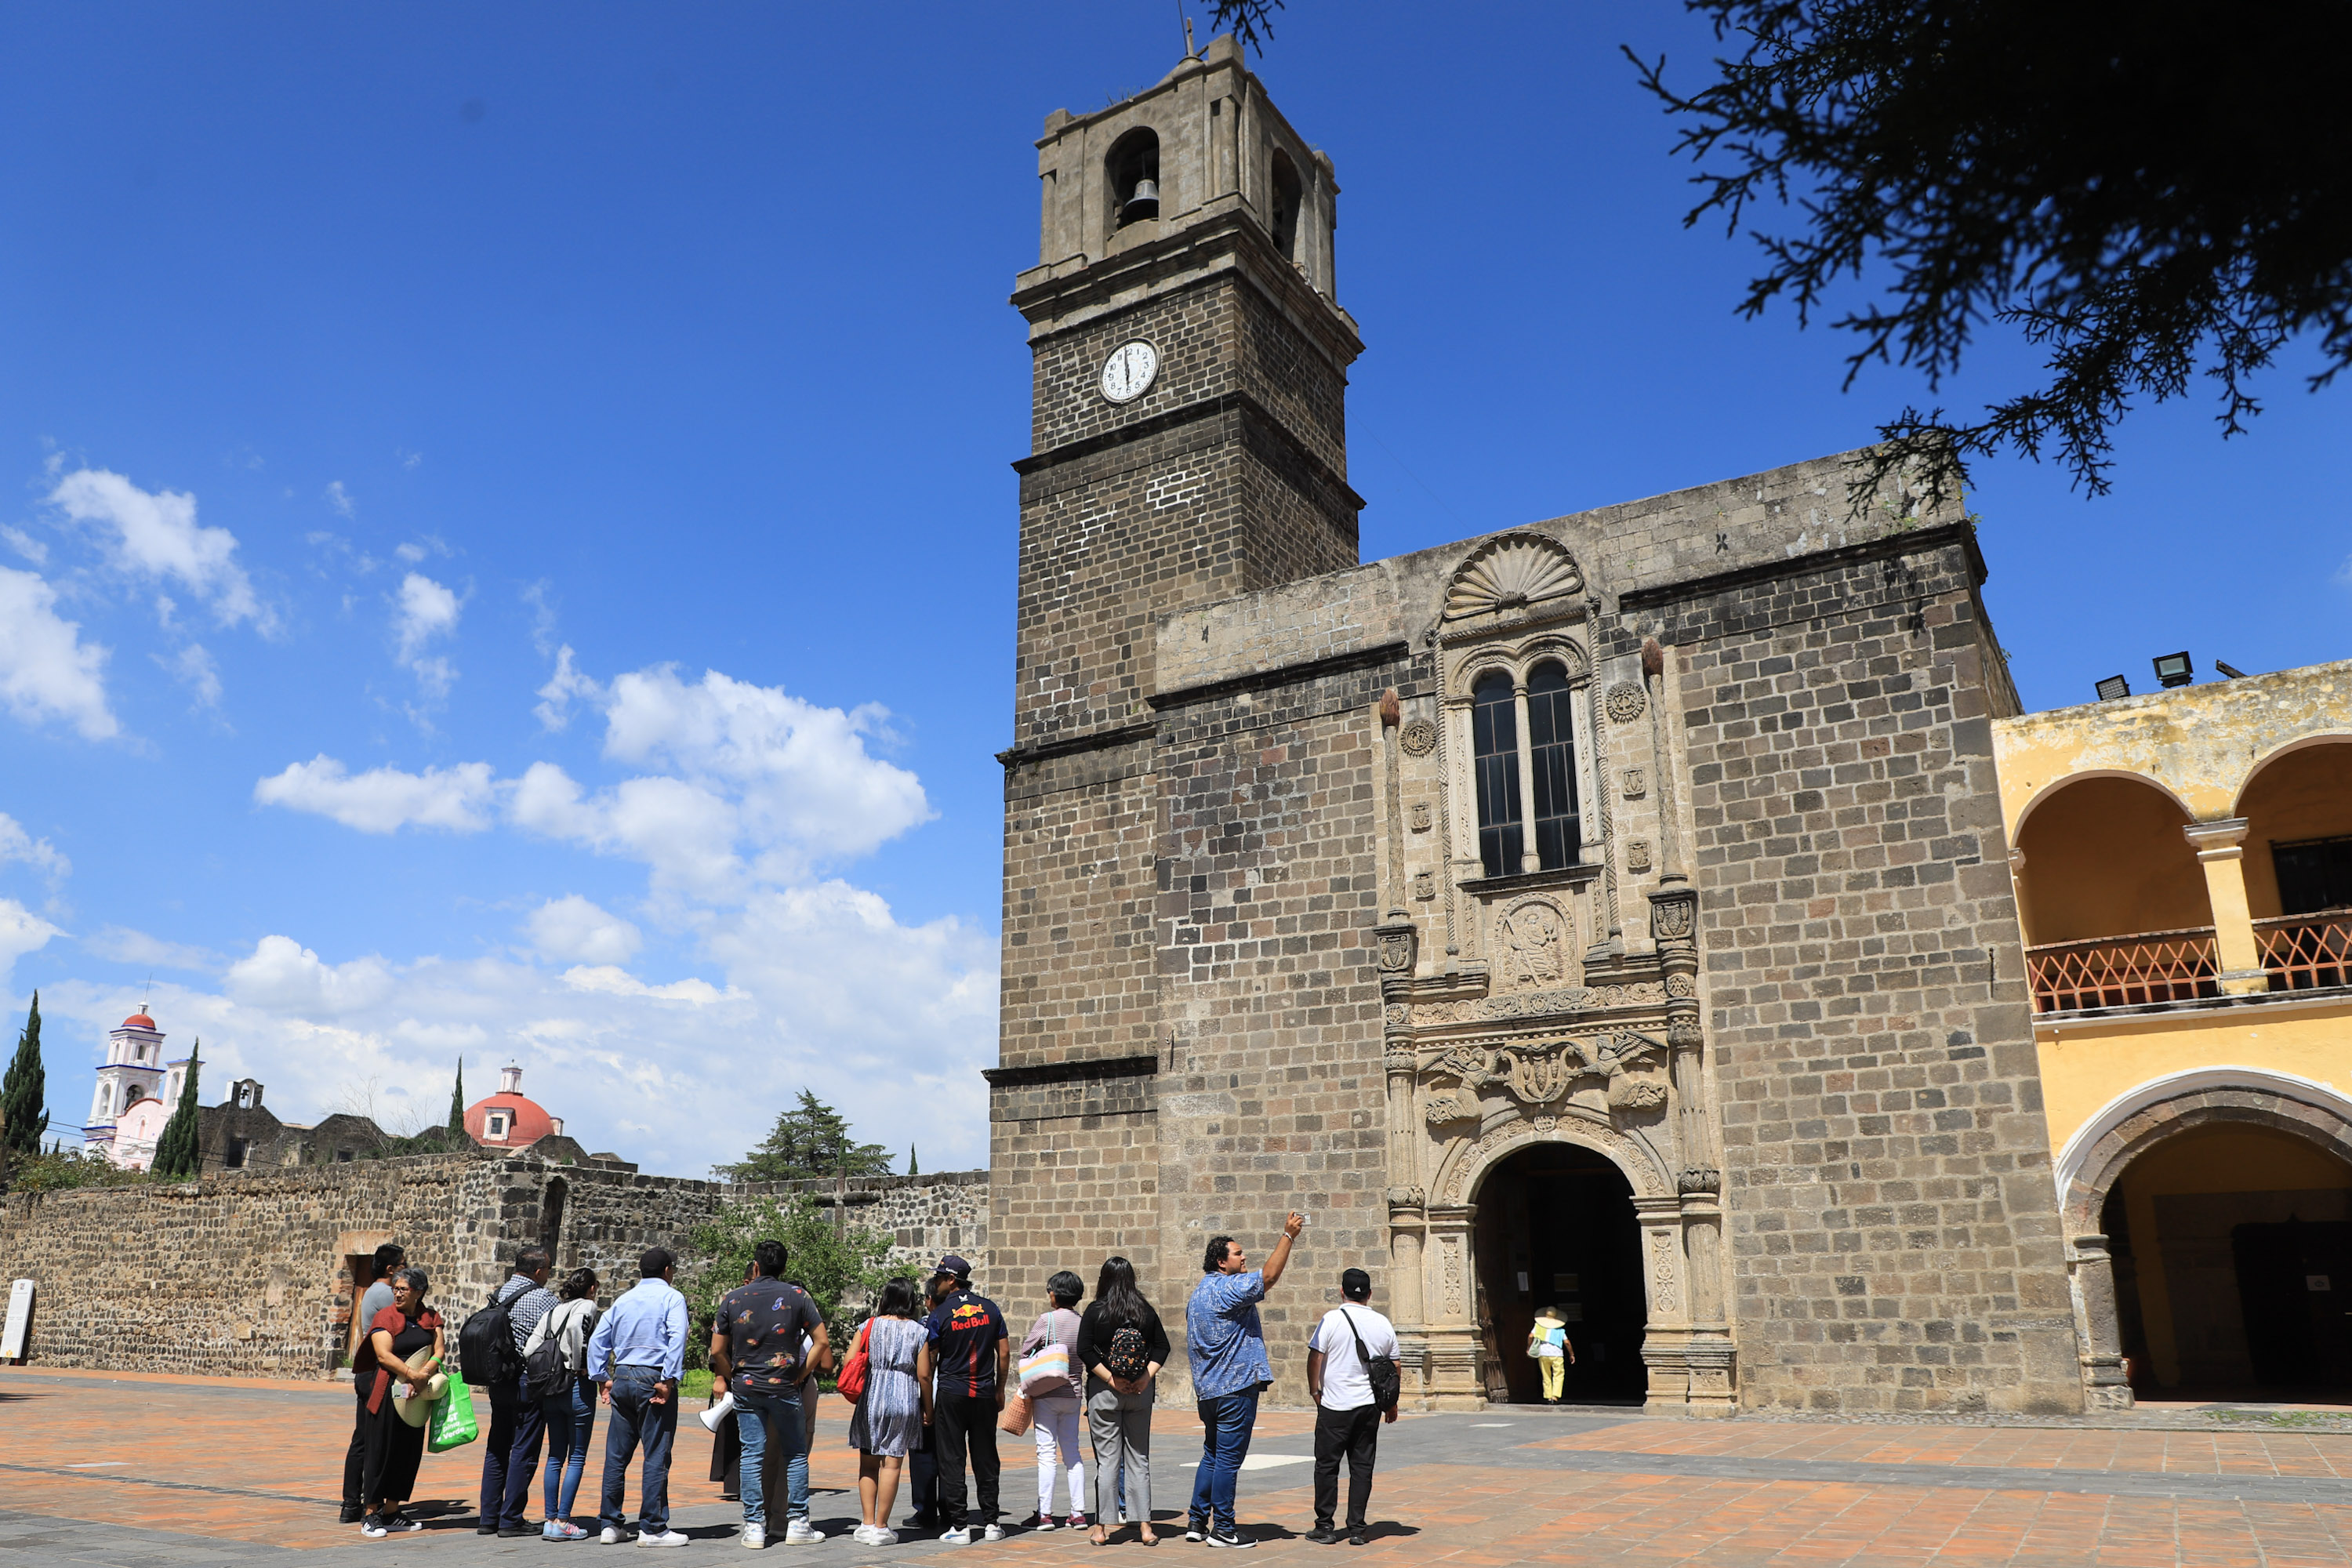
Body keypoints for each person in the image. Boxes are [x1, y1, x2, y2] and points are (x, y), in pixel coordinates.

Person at [1185, 1214, 1304, 1548]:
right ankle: (1223, 1528)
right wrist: (1288, 1236)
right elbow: (1267, 1277)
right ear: (1222, 1263)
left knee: (1211, 1453)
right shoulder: (1226, 1288)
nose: (1244, 1257)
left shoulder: (1198, 1295)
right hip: (1234, 1389)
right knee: (1227, 1460)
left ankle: (1197, 1520)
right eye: (1238, 1254)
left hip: (1208, 1391)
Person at [710, 1240, 832, 1548]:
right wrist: (800, 1375)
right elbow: (821, 1343)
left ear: (756, 1266)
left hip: (747, 1388)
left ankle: (753, 1526)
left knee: (752, 1454)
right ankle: (797, 1523)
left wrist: (733, 1373)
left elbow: (716, 1350)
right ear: (784, 1267)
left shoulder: (733, 1298)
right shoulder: (797, 1296)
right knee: (795, 1454)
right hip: (784, 1388)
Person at [586, 1246, 692, 1547]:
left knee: (616, 1456)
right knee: (656, 1454)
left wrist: (601, 1377)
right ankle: (653, 1527)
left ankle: (610, 1524)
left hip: (623, 1375)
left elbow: (597, 1341)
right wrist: (668, 1378)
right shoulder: (672, 1297)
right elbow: (677, 1335)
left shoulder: (624, 1300)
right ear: (668, 1271)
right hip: (652, 1376)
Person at [1076, 1255, 1171, 1548]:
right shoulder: (1144, 1310)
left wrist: (1110, 1379)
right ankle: (1145, 1527)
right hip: (1140, 1394)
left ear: (1103, 1279)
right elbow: (1162, 1346)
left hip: (1104, 1394)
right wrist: (1145, 1378)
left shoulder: (1096, 1311)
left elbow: (1084, 1350)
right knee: (1139, 1459)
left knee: (1107, 1462)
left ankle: (1101, 1529)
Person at [918, 1254, 1010, 1545]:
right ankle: (992, 1522)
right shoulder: (991, 1309)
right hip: (983, 1393)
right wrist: (999, 1388)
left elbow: (929, 1362)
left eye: (938, 1278)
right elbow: (1004, 1353)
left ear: (951, 1280)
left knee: (952, 1459)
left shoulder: (940, 1314)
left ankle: (960, 1526)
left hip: (952, 1392)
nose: (935, 1284)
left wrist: (928, 1406)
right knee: (986, 1457)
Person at [1305, 1270, 1399, 1546]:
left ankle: (1324, 1526)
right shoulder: (1382, 1323)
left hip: (1335, 1404)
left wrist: (1315, 1390)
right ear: (1369, 1294)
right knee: (1362, 1467)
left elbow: (1316, 1356)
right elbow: (1395, 1365)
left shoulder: (1332, 1319)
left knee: (1326, 1465)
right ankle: (1357, 1528)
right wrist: (1390, 1403)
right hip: (1369, 1405)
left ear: (1341, 1291)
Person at [354, 1265, 444, 1537]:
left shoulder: (430, 1317)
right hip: (387, 1395)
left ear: (418, 1292)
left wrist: (425, 1374)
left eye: (403, 1289)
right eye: (395, 1289)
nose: (397, 1294)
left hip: (417, 1396)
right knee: (381, 1452)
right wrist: (411, 1374)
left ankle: (392, 1511)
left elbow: (439, 1348)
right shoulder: (386, 1316)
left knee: (407, 1452)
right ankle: (371, 1513)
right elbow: (383, 1355)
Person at [479, 1245, 556, 1537]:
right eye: (548, 1270)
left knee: (497, 1447)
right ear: (538, 1271)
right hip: (527, 1381)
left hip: (499, 1381)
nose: (549, 1276)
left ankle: (488, 1518)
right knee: (524, 1449)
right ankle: (511, 1519)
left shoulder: (499, 1293)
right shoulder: (542, 1298)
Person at [849, 1275, 931, 1545]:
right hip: (904, 1398)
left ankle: (866, 1523)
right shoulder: (919, 1332)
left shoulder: (868, 1325)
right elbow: (924, 1375)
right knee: (892, 1463)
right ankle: (883, 1528)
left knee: (868, 1462)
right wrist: (927, 1408)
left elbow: (850, 1360)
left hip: (872, 1396)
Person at [525, 1267, 602, 1541]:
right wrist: (582, 1366)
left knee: (555, 1455)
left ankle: (549, 1519)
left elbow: (529, 1349)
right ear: (591, 1288)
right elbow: (580, 1333)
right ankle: (564, 1520)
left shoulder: (550, 1313)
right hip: (577, 1386)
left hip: (550, 1388)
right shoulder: (588, 1308)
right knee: (577, 1456)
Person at [342, 1242, 405, 1524]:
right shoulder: (384, 1293)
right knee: (372, 1441)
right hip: (377, 1372)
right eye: (403, 1264)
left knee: (362, 1439)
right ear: (391, 1269)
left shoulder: (372, 1292)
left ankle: (350, 1503)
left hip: (367, 1372)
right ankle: (368, 1503)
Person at [1018, 1271, 1087, 1533]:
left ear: (1055, 1293)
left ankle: (1045, 1515)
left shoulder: (1046, 1321)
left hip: (1046, 1393)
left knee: (1046, 1453)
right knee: (1073, 1452)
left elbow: (1026, 1351)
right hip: (1073, 1393)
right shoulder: (1083, 1323)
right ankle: (1078, 1513)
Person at [905, 1271, 955, 1530]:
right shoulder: (957, 1321)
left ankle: (925, 1510)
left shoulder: (923, 1325)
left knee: (923, 1454)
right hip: (952, 1394)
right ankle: (949, 1509)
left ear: (928, 1300)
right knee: (948, 1455)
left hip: (926, 1393)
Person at [1526, 1306, 1572, 1404]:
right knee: (1558, 1375)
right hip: (1557, 1354)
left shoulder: (1538, 1326)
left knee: (1546, 1375)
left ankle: (1548, 1396)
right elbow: (1567, 1342)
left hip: (1543, 1353)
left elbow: (1530, 1336)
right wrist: (1571, 1354)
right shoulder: (1560, 1330)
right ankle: (1555, 1396)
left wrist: (1529, 1348)